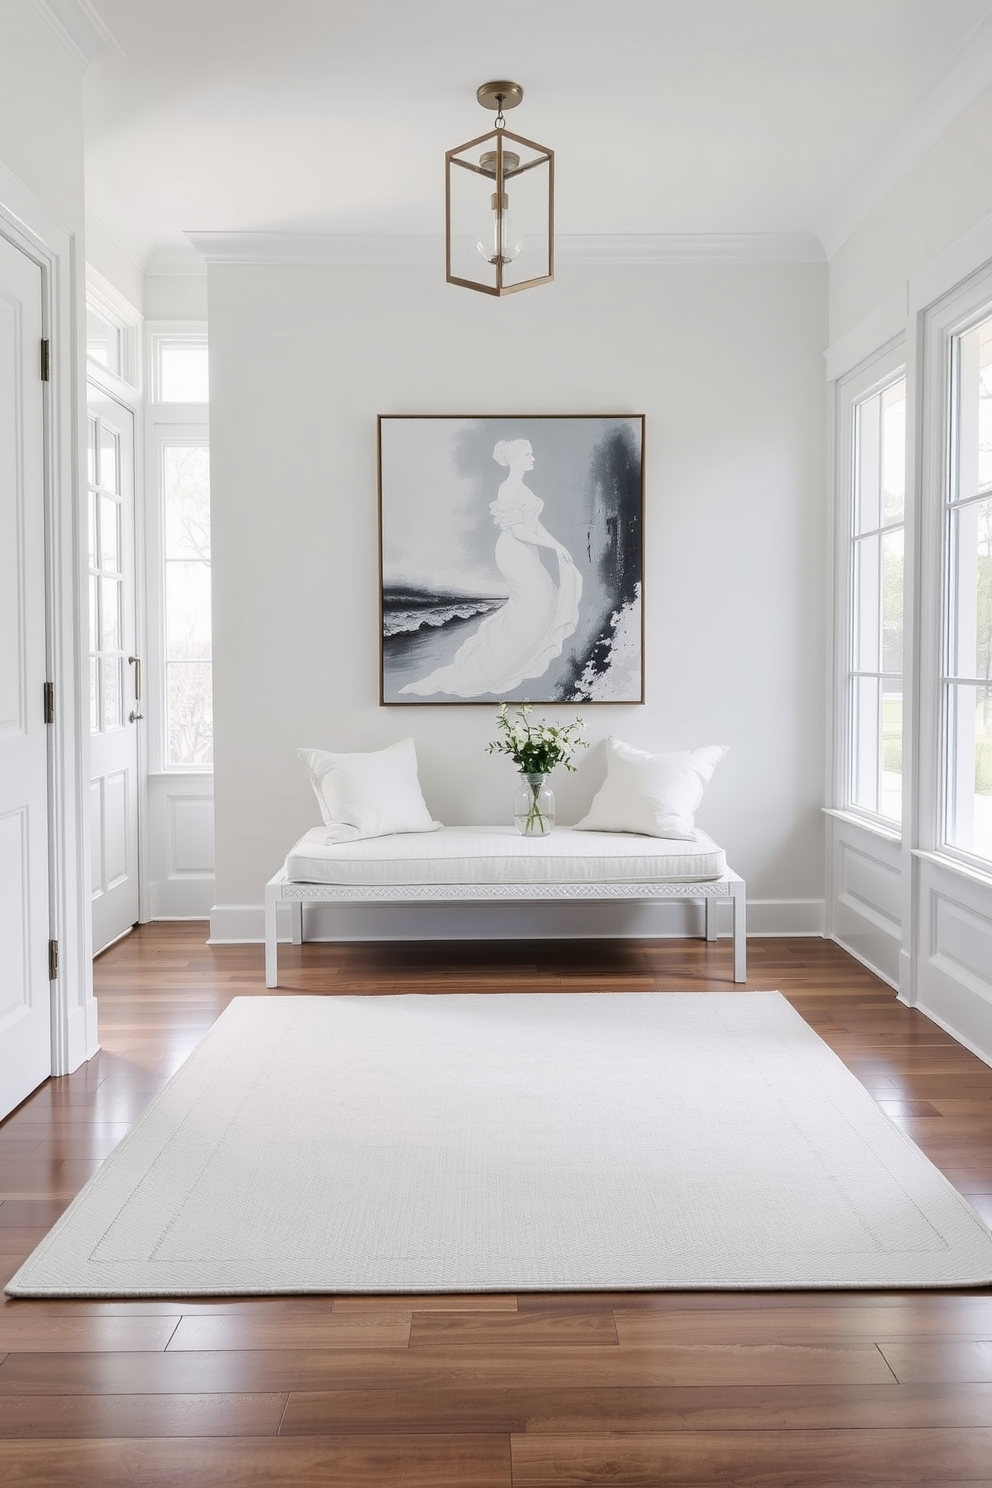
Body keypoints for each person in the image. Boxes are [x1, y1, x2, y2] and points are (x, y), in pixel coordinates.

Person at [400, 438, 582, 697]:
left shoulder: (524, 489)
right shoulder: (507, 488)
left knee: (543, 603)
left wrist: (558, 545)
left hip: (528, 550)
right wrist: (552, 547)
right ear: (515, 458)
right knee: (537, 604)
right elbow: (518, 531)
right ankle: (491, 666)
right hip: (513, 551)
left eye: (532, 453)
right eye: (528, 454)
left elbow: (535, 524)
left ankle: (511, 657)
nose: (533, 458)